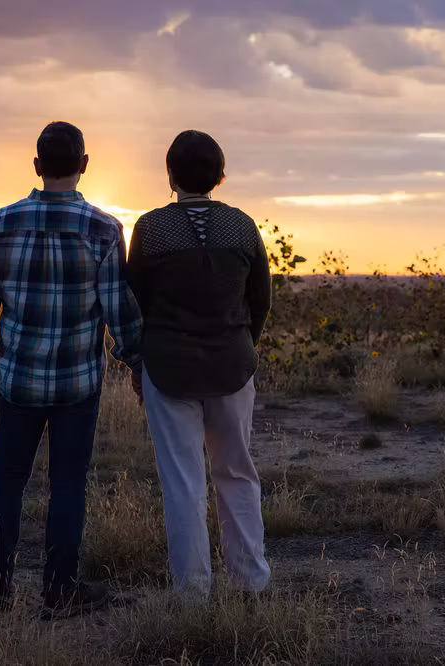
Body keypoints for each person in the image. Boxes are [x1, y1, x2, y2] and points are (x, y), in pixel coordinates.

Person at [0, 121, 143, 617]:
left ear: (37, 167)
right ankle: (60, 590)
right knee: (68, 483)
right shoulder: (104, 229)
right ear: (84, 166)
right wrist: (135, 363)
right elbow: (117, 308)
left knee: (8, 478)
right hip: (77, 384)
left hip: (17, 380)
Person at [127, 129, 272, 599]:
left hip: (168, 368)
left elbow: (137, 301)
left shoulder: (150, 229)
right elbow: (260, 301)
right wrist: (243, 345)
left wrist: (139, 361)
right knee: (237, 473)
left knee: (183, 482)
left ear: (170, 174)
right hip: (232, 365)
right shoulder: (244, 226)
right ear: (220, 175)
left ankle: (192, 594)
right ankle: (250, 583)